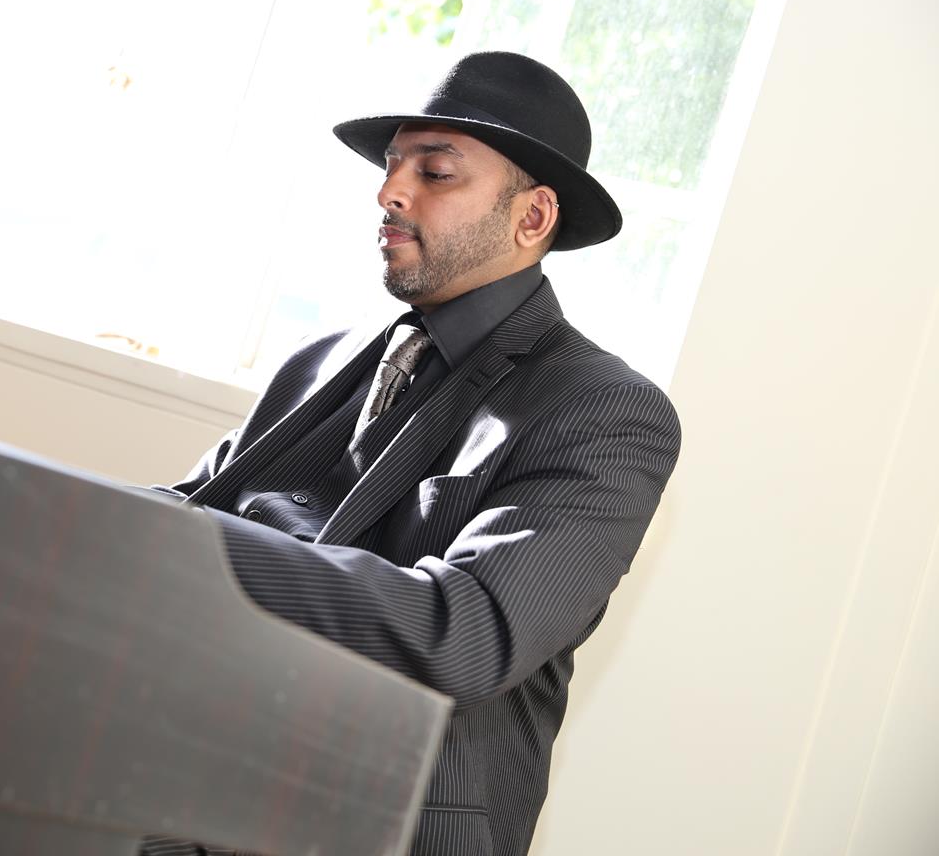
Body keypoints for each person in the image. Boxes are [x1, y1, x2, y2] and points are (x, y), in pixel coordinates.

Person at [142, 51, 682, 856]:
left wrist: (180, 545)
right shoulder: (317, 360)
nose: (390, 191)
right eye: (394, 165)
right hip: (177, 791)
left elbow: (465, 633)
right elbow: (185, 508)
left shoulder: (605, 411)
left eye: (434, 171)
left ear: (532, 219)